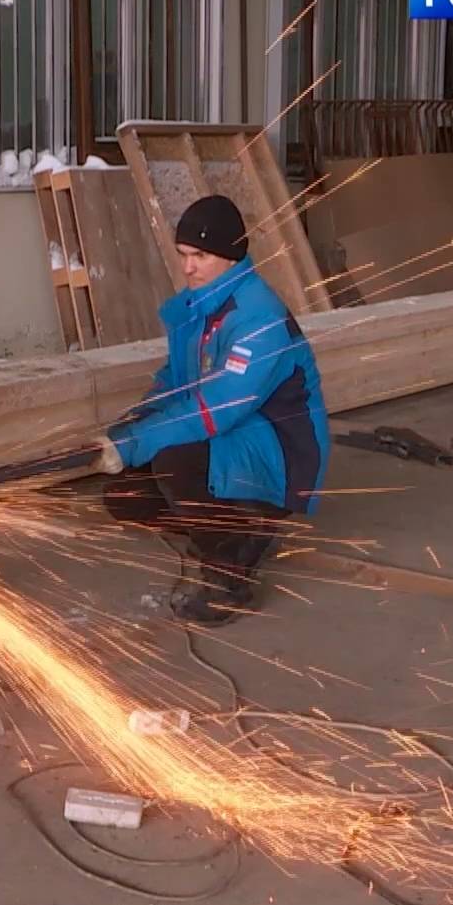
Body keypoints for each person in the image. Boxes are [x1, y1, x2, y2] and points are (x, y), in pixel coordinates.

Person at [92, 195, 329, 624]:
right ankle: (234, 525)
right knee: (126, 495)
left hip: (278, 448)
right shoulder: (203, 306)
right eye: (184, 255)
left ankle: (230, 574)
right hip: (237, 433)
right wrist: (128, 427)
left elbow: (217, 409)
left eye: (199, 256)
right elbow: (174, 380)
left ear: (229, 255)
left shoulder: (259, 317)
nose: (188, 268)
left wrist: (138, 442)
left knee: (175, 461)